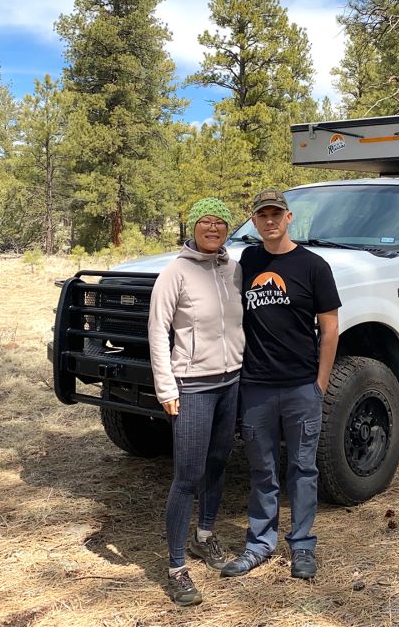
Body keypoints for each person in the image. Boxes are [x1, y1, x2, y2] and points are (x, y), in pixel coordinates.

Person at [221, 188, 341, 581]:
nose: (269, 221)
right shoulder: (248, 260)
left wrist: (320, 384)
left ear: (289, 218)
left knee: (303, 469)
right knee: (262, 470)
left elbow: (330, 328)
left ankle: (303, 546)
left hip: (300, 387)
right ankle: (259, 544)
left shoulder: (314, 266)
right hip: (255, 385)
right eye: (262, 216)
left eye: (276, 214)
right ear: (253, 222)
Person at [147, 197, 245, 606]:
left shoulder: (234, 269)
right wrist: (166, 388)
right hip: (192, 385)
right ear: (193, 227)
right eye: (205, 221)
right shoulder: (176, 272)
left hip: (231, 381)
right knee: (187, 476)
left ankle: (204, 536)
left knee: (219, 462)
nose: (213, 228)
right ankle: (175, 568)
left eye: (220, 222)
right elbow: (157, 330)